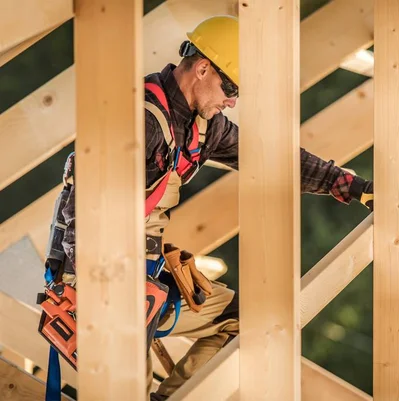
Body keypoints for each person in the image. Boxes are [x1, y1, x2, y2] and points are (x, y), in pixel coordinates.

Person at [58, 15, 374, 400]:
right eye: (231, 87)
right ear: (203, 68)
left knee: (251, 321)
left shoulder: (204, 127)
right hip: (101, 282)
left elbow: (274, 158)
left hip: (144, 281)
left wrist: (354, 187)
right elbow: (82, 203)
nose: (232, 100)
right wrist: (94, 291)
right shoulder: (137, 118)